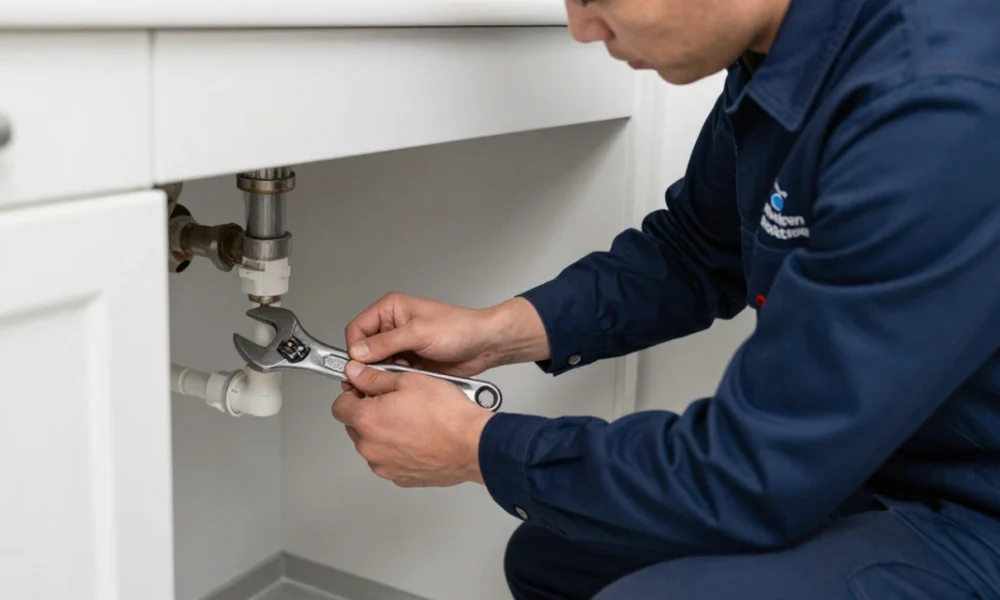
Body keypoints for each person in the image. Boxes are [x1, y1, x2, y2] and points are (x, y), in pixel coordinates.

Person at [330, 0, 1000, 598]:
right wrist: (494, 331)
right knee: (552, 557)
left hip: (978, 514)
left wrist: (476, 447)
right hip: (878, 456)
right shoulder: (785, 53)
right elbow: (696, 249)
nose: (580, 26)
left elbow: (753, 474)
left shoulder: (938, 102)